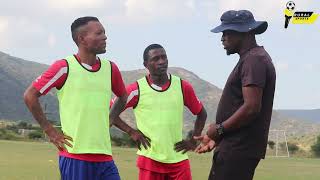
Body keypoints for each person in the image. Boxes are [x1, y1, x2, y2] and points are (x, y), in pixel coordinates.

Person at [23, 16, 127, 180]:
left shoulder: (111, 68)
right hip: (75, 156)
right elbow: (30, 96)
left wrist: (112, 117)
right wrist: (49, 130)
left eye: (104, 33)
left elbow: (123, 96)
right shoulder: (64, 67)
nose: (105, 37)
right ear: (82, 39)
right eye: (99, 33)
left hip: (105, 157)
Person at [194, 10, 276, 180]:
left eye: (227, 32)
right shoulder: (251, 58)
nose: (222, 38)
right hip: (234, 147)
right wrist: (217, 137)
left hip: (238, 149)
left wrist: (220, 129)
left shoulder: (254, 60)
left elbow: (252, 107)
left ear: (245, 32)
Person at [109, 44, 207, 180]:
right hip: (150, 160)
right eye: (155, 59)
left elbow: (201, 113)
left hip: (178, 160)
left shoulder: (182, 86)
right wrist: (132, 132)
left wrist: (193, 140)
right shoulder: (136, 89)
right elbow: (110, 112)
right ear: (146, 64)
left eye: (164, 57)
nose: (161, 61)